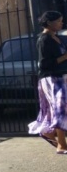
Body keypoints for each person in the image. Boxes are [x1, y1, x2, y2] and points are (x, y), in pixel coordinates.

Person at [28, 11, 67, 153]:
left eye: (61, 20)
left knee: (60, 109)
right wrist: (64, 57)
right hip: (51, 79)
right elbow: (44, 64)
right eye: (58, 21)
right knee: (59, 109)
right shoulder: (44, 40)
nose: (61, 23)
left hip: (61, 77)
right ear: (49, 23)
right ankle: (62, 145)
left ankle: (49, 133)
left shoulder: (57, 37)